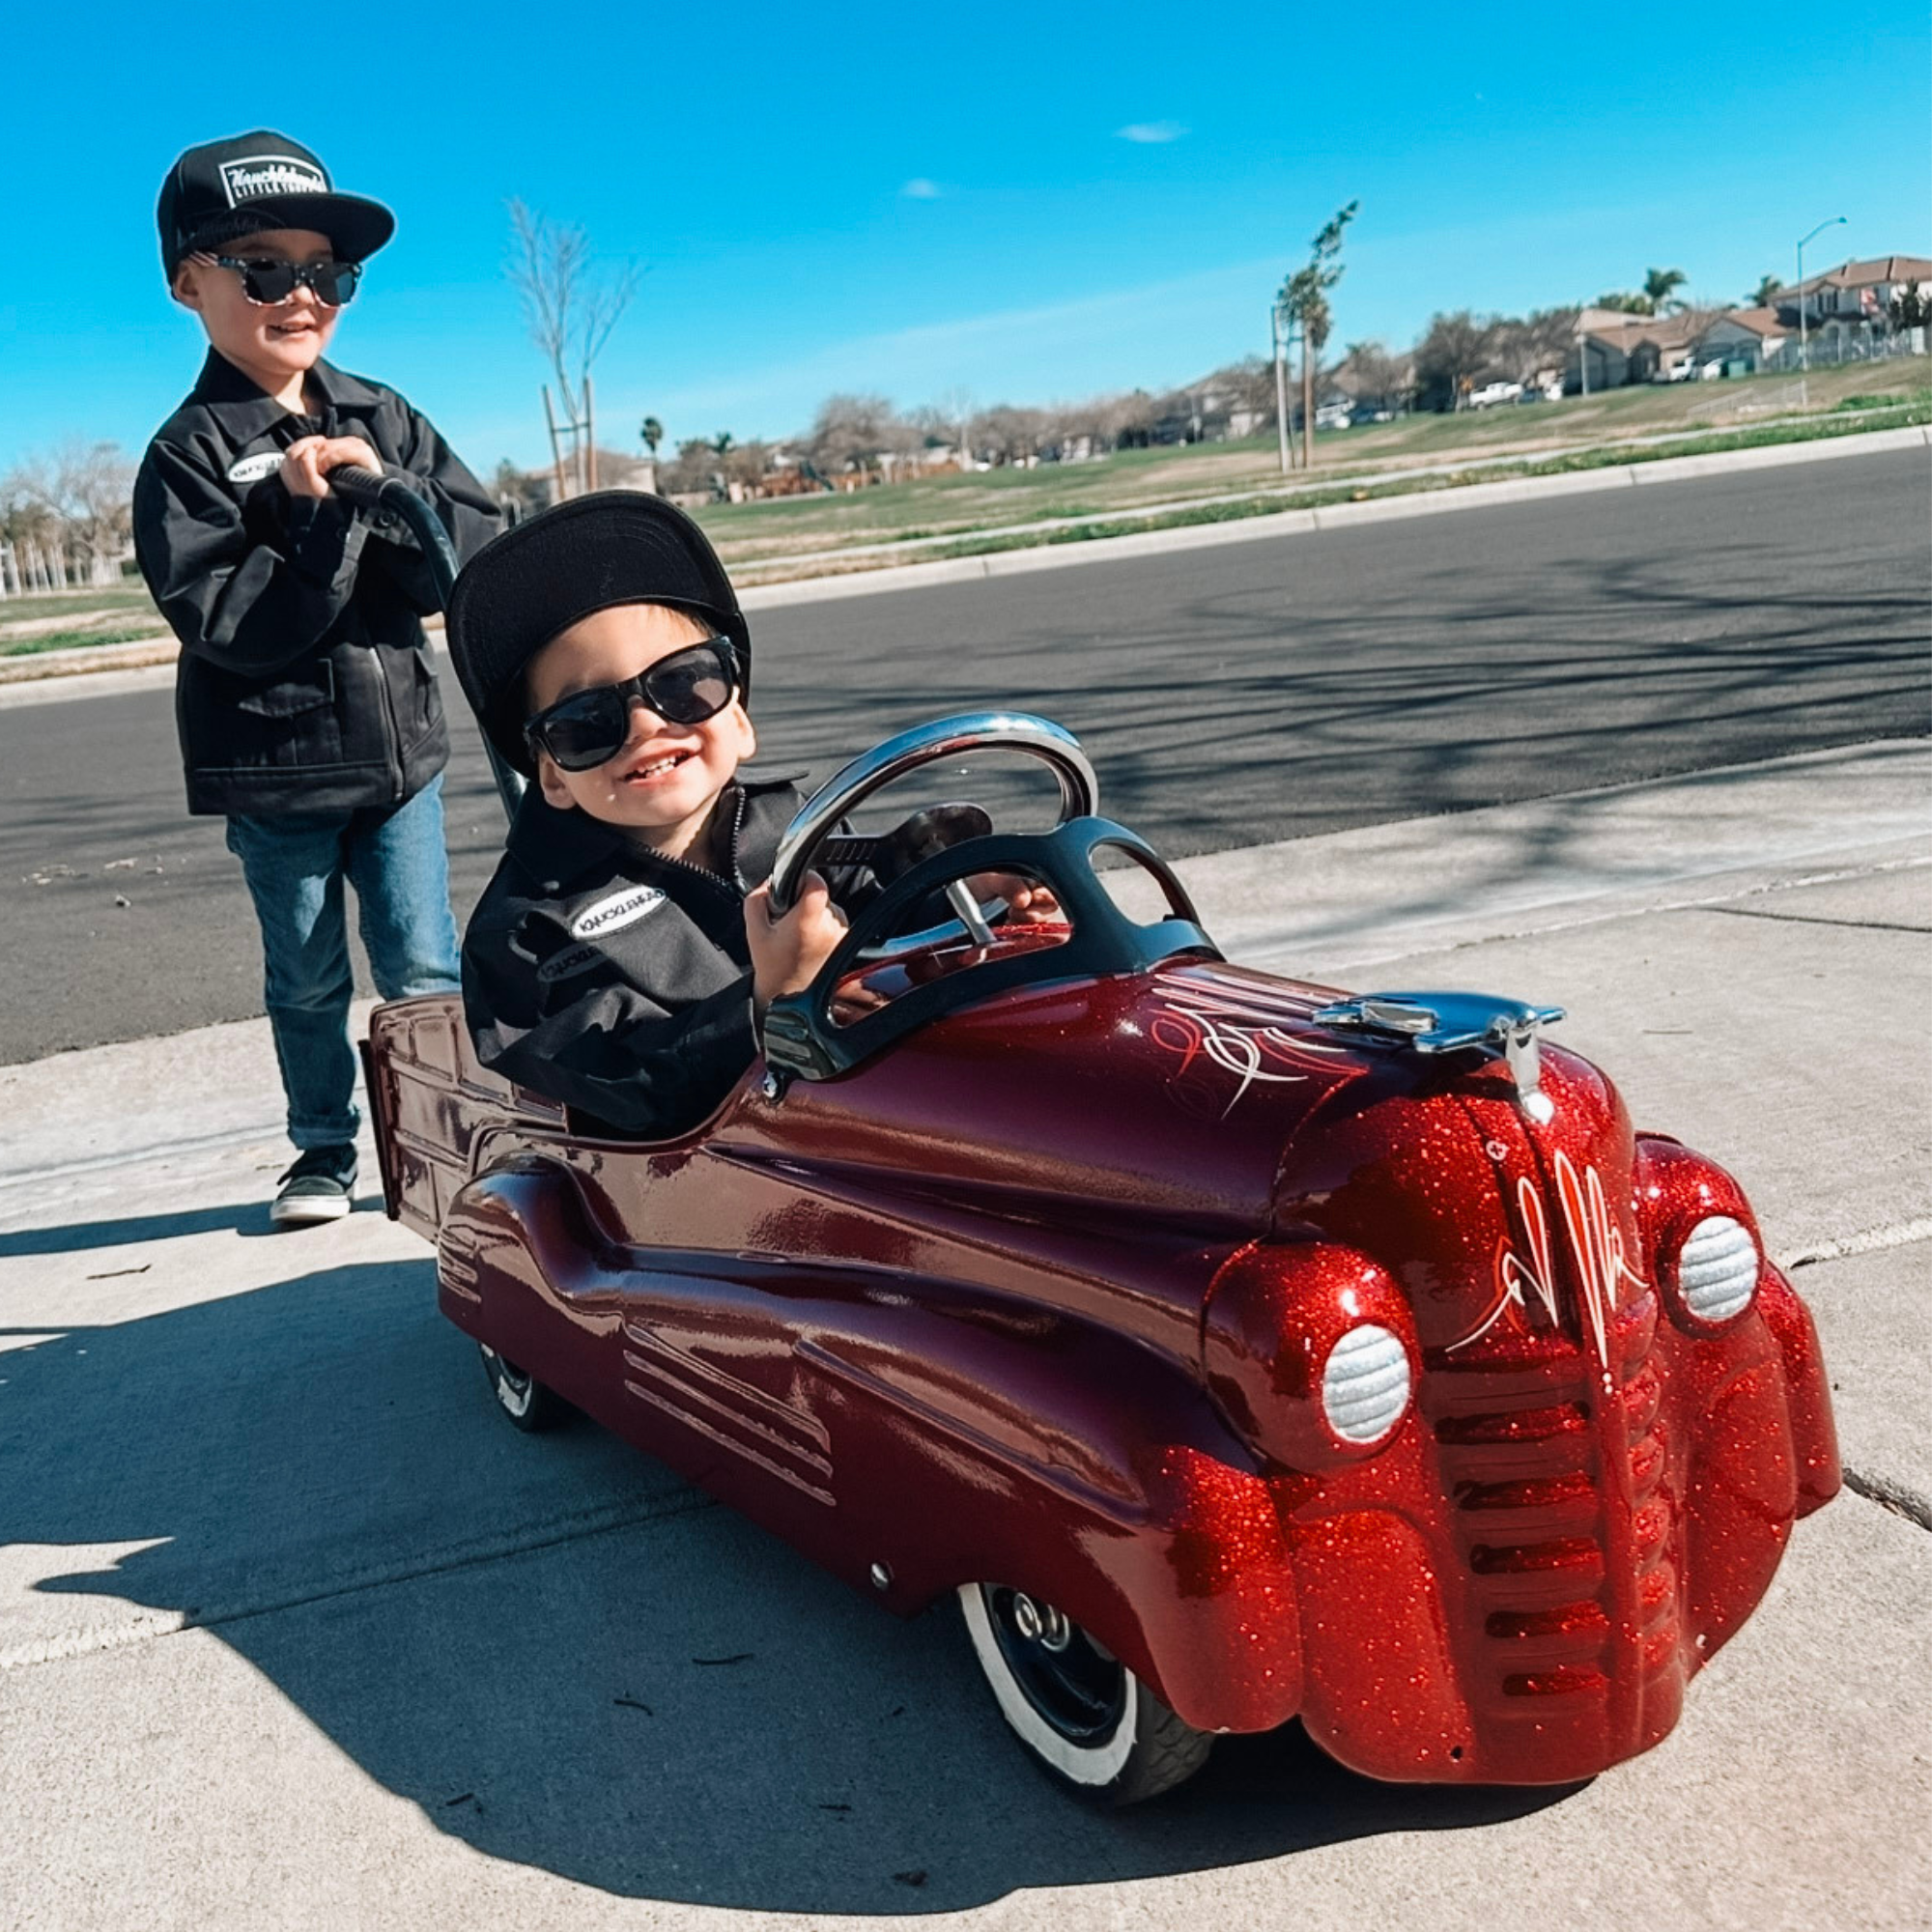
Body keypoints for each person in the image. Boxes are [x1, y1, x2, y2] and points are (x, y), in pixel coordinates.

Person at [133, 130, 499, 1227]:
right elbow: (227, 622)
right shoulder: (188, 454)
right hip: (275, 773)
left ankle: (446, 1134)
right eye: (264, 268)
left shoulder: (384, 414)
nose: (302, 294)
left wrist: (389, 495)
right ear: (188, 284)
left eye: (328, 272)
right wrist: (306, 520)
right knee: (304, 977)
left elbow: (469, 559)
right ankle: (323, 1148)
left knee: (424, 965)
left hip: (401, 763)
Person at [445, 494, 1053, 1139]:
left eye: (682, 684)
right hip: (702, 1189)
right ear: (550, 775)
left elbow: (877, 910)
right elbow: (618, 1081)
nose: (648, 724)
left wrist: (964, 891)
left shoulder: (793, 827)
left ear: (737, 718)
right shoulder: (526, 931)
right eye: (588, 722)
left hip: (864, 1119)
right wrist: (766, 1005)